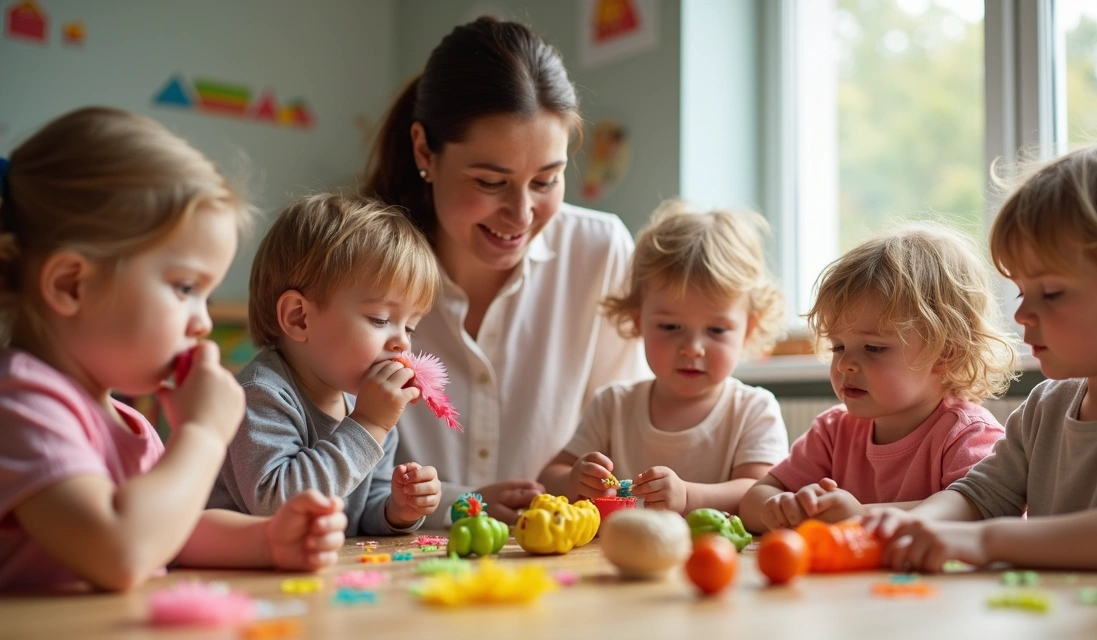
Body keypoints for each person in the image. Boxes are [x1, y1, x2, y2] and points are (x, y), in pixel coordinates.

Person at [0, 108, 346, 591]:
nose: (202, 320)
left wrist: (268, 540)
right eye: (186, 287)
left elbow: (172, 529)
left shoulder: (129, 422)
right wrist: (203, 433)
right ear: (71, 284)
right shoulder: (20, 403)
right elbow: (121, 549)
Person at [865, 131, 1097, 572]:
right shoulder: (1046, 406)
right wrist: (915, 525)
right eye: (1021, 291)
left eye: (1050, 293)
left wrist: (987, 541)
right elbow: (979, 496)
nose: (1023, 314)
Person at [363, 17, 648, 522]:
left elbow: (628, 441)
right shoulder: (356, 266)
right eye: (491, 182)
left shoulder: (599, 251)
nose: (521, 215)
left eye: (546, 181)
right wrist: (461, 505)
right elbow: (324, 464)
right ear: (424, 150)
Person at [739, 223, 1018, 533]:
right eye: (838, 347)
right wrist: (785, 510)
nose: (845, 364)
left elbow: (982, 511)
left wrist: (861, 517)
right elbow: (753, 501)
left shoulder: (967, 435)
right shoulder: (832, 432)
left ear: (945, 354)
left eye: (873, 348)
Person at [208, 193, 442, 535]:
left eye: (410, 327)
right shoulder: (261, 395)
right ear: (299, 318)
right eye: (379, 319)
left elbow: (359, 510)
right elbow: (276, 507)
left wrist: (397, 509)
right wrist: (366, 425)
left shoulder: (367, 407)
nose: (402, 342)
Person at [539, 202, 790, 514]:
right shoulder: (612, 405)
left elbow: (758, 492)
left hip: (713, 559)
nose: (692, 348)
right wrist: (575, 480)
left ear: (748, 329)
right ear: (637, 321)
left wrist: (688, 497)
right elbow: (549, 477)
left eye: (716, 329)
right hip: (619, 557)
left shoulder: (753, 410)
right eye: (670, 327)